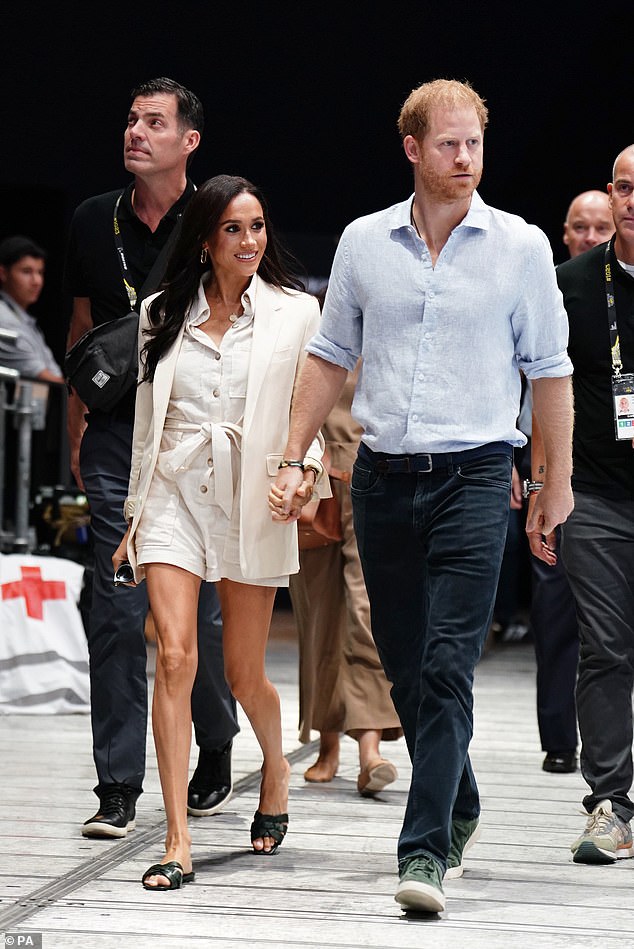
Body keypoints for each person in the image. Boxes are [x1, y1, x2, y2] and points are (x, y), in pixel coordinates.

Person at [271, 78, 574, 913]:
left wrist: (557, 482)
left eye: (474, 141)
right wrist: (293, 452)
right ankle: (461, 799)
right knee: (405, 669)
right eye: (448, 143)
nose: (465, 157)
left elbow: (551, 368)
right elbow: (330, 354)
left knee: (447, 666)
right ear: (412, 148)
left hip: (479, 475)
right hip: (383, 477)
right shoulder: (364, 243)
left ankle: (425, 847)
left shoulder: (519, 247)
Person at [112, 174, 326, 889]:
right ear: (205, 239)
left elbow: (312, 406)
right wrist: (133, 516)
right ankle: (177, 838)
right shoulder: (160, 312)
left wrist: (305, 472)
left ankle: (273, 768)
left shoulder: (296, 312)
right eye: (234, 228)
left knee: (243, 672)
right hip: (174, 490)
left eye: (258, 226)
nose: (249, 240)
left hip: (253, 496)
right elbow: (149, 422)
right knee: (174, 657)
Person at [64, 78, 238, 839]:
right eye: (131, 119)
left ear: (188, 141)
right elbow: (79, 333)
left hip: (193, 435)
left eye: (154, 122)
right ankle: (117, 782)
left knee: (190, 612)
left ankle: (218, 739)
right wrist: (77, 430)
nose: (136, 131)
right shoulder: (87, 220)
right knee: (116, 602)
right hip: (113, 437)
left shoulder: (221, 221)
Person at [537, 146, 634, 864]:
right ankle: (612, 800)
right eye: (625, 189)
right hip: (595, 493)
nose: (631, 202)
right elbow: (543, 385)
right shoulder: (570, 283)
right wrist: (541, 479)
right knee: (604, 646)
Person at [529, 189, 614, 775]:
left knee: (612, 634)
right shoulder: (559, 285)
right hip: (567, 474)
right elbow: (530, 385)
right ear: (565, 232)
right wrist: (532, 475)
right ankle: (560, 738)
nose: (589, 236)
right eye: (579, 227)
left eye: (599, 227)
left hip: (616, 476)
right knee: (556, 608)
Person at [289, 362, 402, 793]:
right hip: (312, 465)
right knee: (317, 610)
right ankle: (328, 743)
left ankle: (369, 749)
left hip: (375, 465)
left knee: (366, 605)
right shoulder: (300, 302)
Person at [0, 236, 63, 383]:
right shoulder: (3, 317)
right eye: (27, 271)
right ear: (3, 273)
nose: (36, 281)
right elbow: (50, 382)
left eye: (40, 272)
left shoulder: (24, 319)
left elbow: (54, 373)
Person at [563, 190, 615, 260]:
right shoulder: (549, 271)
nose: (591, 238)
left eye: (601, 228)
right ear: (566, 233)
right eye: (580, 227)